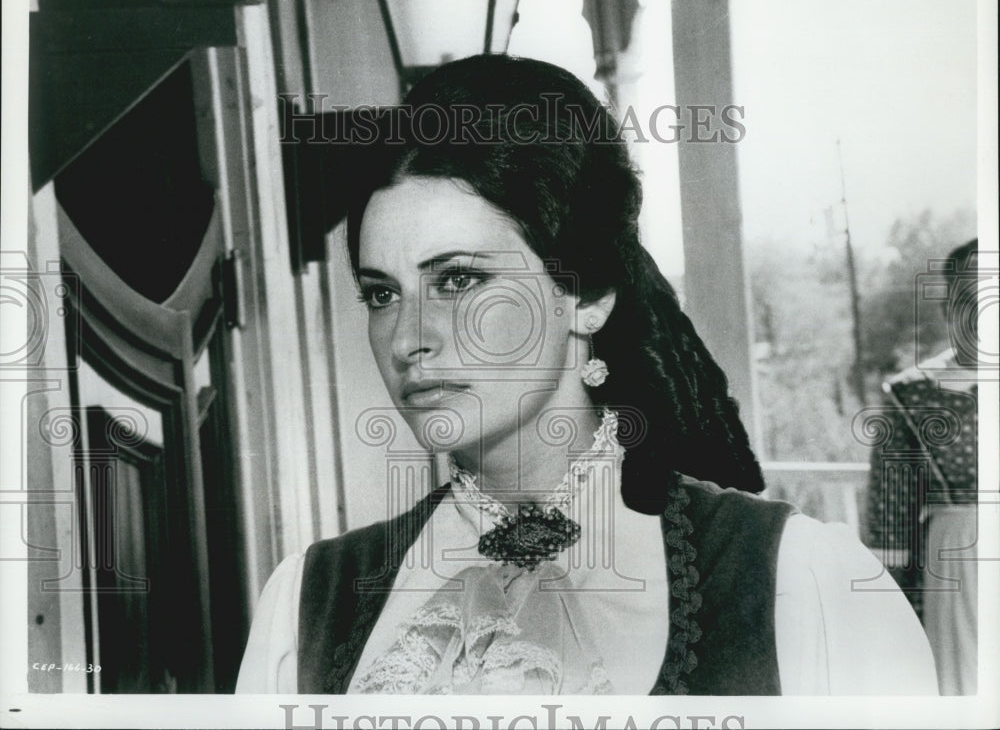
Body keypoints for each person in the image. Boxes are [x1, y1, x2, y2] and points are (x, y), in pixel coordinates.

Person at [236, 54, 937, 695]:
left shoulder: (801, 586)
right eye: (381, 294)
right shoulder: (307, 603)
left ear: (589, 294)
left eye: (458, 279)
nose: (409, 339)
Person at [864, 239, 980, 695]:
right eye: (967, 300)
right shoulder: (913, 394)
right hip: (961, 556)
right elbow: (891, 512)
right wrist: (893, 601)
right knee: (965, 686)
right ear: (949, 308)